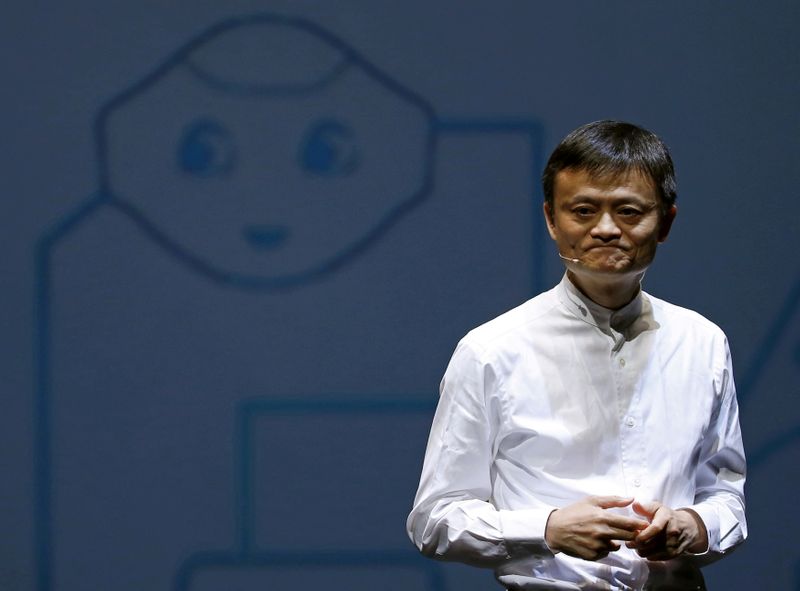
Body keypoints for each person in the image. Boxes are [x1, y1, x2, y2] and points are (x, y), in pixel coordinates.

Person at [407, 120, 746, 590]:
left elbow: (726, 497)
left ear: (665, 222)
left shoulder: (703, 342)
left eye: (628, 211)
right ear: (551, 219)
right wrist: (547, 529)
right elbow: (435, 519)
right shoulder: (491, 350)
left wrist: (693, 526)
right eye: (583, 210)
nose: (605, 229)